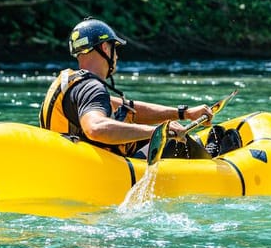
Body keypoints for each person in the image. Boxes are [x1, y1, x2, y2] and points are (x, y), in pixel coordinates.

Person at [39, 17, 213, 158]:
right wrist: (159, 132)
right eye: (115, 49)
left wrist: (183, 113)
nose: (117, 56)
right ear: (105, 48)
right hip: (97, 173)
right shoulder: (92, 88)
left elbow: (130, 109)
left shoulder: (72, 84)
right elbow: (96, 128)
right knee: (176, 143)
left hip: (68, 163)